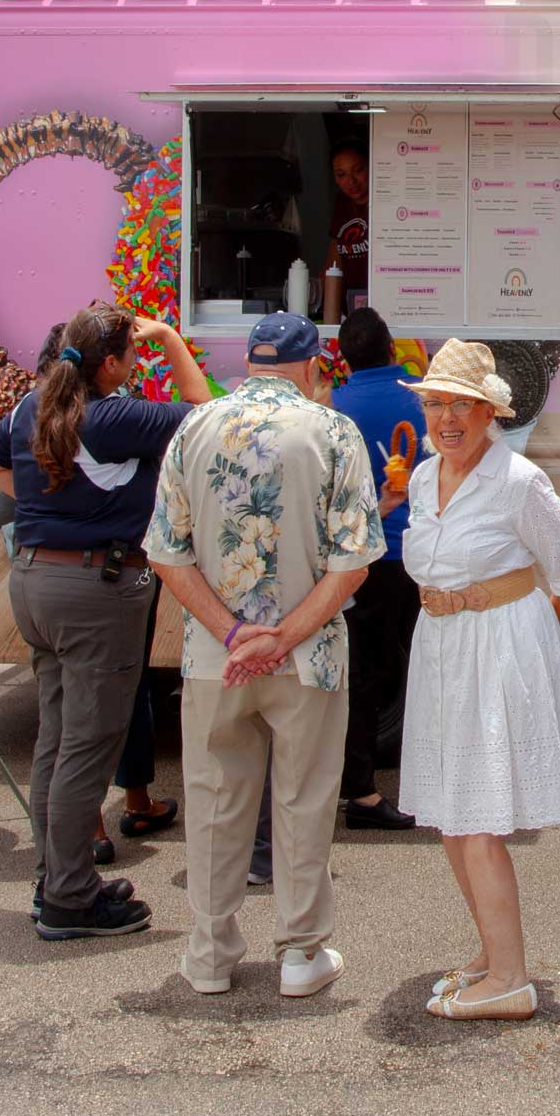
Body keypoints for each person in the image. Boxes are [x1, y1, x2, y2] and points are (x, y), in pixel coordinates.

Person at [145, 311, 385, 997]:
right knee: (304, 800)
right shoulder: (332, 431)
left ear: (249, 363)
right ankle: (301, 954)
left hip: (215, 659)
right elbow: (353, 563)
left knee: (214, 801)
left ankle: (209, 955)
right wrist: (281, 637)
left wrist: (231, 634)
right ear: (311, 367)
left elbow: (166, 553)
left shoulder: (194, 427)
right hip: (309, 658)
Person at [0, 305, 212, 940]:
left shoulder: (33, 409)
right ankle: (71, 899)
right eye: (132, 353)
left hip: (34, 580)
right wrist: (170, 338)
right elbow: (205, 414)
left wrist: (46, 501)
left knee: (56, 742)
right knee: (87, 747)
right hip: (94, 592)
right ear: (110, 363)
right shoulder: (112, 417)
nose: (136, 361)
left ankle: (55, 878)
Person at [396, 339, 560, 1022]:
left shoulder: (519, 481)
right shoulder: (425, 477)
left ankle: (510, 981)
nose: (446, 418)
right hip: (442, 649)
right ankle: (491, 955)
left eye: (462, 405)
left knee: (477, 821)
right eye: (435, 404)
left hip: (498, 650)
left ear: (490, 413)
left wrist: (537, 652)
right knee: (454, 818)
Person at [329, 306, 427, 830]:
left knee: (363, 678)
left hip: (359, 560)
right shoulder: (422, 399)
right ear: (392, 348)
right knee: (427, 669)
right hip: (418, 555)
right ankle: (432, 784)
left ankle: (360, 789)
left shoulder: (331, 407)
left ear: (344, 358)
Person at [322, 141, 370, 317]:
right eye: (341, 174)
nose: (351, 181)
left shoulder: (385, 200)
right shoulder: (342, 203)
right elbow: (334, 260)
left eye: (358, 170)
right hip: (349, 308)